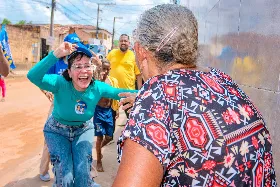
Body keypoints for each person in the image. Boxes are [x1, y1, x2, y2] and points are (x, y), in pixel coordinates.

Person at [113, 4, 277, 187]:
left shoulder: (157, 96)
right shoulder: (221, 80)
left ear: (141, 50)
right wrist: (155, 110)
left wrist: (151, 105)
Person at [27, 41, 137, 187]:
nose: (83, 70)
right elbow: (32, 76)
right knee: (65, 179)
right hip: (57, 131)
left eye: (87, 65)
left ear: (92, 69)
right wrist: (55, 55)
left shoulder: (97, 87)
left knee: (83, 176)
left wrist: (143, 93)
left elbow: (119, 93)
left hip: (83, 129)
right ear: (70, 72)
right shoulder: (59, 83)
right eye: (78, 66)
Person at [39, 33, 81, 182]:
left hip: (76, 107)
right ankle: (43, 170)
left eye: (76, 47)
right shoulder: (56, 62)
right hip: (56, 105)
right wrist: (46, 91)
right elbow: (40, 77)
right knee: (49, 137)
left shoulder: (79, 63)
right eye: (71, 46)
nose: (73, 50)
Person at [107, 34, 142, 118]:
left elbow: (138, 74)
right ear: (119, 42)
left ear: (129, 43)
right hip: (112, 92)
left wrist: (140, 91)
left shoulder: (133, 56)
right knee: (110, 119)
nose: (123, 42)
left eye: (125, 41)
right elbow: (105, 68)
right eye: (121, 41)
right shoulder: (112, 53)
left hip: (128, 93)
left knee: (132, 117)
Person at [94, 59, 119, 172]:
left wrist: (116, 109)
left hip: (109, 111)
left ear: (110, 70)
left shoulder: (112, 81)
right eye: (103, 68)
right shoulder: (95, 82)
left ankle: (99, 149)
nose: (105, 71)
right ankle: (99, 161)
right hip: (98, 112)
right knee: (99, 137)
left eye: (107, 69)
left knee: (109, 137)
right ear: (100, 69)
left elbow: (115, 95)